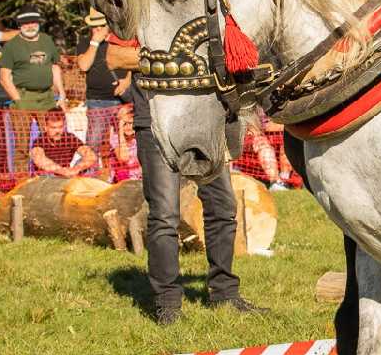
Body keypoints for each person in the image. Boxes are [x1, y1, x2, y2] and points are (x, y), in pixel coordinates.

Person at [105, 35, 268, 324]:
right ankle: (168, 304)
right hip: (156, 124)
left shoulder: (203, 5)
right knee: (165, 216)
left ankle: (225, 294)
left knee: (223, 206)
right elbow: (115, 57)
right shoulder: (141, 5)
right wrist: (184, 59)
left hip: (205, 121)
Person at [0, 5, 66, 174]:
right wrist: (18, 100)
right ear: (19, 26)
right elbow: (4, 78)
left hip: (47, 97)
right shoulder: (11, 46)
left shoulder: (46, 40)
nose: (30, 26)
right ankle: (22, 184)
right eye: (25, 23)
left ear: (38, 23)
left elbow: (55, 68)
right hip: (23, 97)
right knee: (22, 145)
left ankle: (52, 176)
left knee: (52, 139)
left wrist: (62, 95)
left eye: (33, 22)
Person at [74, 9, 130, 153]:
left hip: (123, 100)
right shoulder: (85, 43)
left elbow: (134, 62)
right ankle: (90, 173)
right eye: (94, 26)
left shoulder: (122, 41)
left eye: (102, 25)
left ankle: (127, 174)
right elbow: (84, 65)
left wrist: (127, 81)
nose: (98, 28)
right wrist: (94, 43)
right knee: (94, 143)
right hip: (98, 102)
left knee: (127, 141)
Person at [29, 108, 98, 177]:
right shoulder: (40, 141)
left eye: (60, 127)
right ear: (45, 127)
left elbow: (91, 155)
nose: (57, 131)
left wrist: (76, 169)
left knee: (90, 164)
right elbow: (40, 160)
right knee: (47, 173)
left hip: (67, 173)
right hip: (48, 175)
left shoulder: (69, 137)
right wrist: (62, 171)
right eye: (53, 128)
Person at [104, 104, 142, 182]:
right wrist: (120, 131)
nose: (128, 127)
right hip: (121, 180)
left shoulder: (140, 137)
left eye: (130, 123)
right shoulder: (115, 138)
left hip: (138, 178)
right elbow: (124, 158)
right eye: (124, 124)